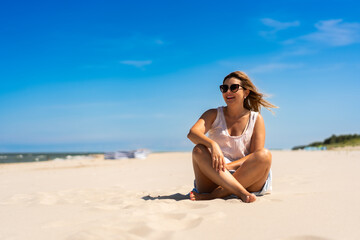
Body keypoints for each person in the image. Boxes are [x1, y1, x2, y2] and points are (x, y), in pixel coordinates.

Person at [187, 71, 278, 203]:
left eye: (233, 87)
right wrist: (213, 145)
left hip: (246, 177)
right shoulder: (213, 114)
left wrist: (228, 167)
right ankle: (240, 192)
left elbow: (254, 155)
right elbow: (192, 133)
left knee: (264, 155)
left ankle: (215, 195)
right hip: (216, 175)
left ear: (246, 92)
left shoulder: (256, 118)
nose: (228, 92)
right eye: (224, 88)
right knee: (199, 149)